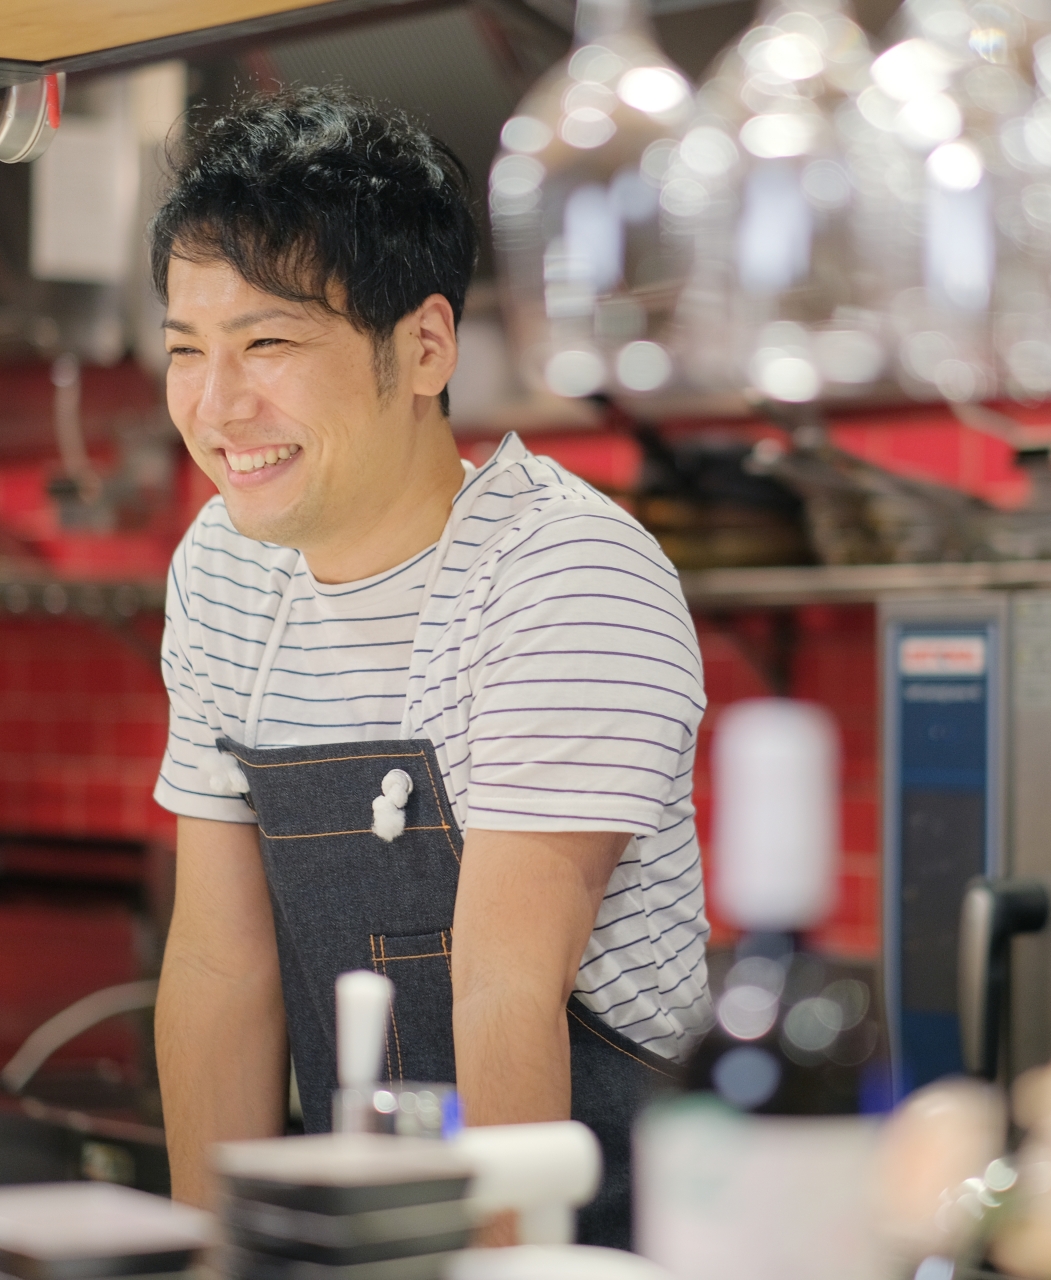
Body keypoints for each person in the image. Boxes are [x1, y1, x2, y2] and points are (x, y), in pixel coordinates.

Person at [146, 87, 710, 1247]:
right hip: (369, 1231)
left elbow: (507, 990)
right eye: (186, 351)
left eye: (267, 344)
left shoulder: (562, 573)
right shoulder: (226, 566)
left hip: (603, 1238)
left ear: (425, 346)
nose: (217, 406)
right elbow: (217, 962)